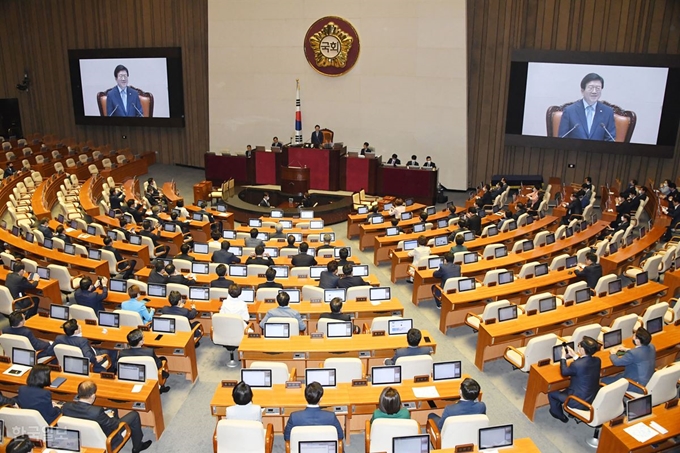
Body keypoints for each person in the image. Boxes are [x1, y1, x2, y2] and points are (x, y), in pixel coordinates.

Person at [62, 381, 152, 452]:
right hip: (106, 438)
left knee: (112, 408)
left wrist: (107, 415)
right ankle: (137, 446)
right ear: (93, 396)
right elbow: (116, 425)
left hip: (80, 437)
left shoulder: (66, 407)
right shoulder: (96, 412)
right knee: (134, 415)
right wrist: (111, 417)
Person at [548, 336, 602, 423]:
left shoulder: (577, 365)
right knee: (564, 391)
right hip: (591, 397)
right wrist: (575, 356)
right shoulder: (597, 360)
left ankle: (559, 415)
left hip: (578, 401)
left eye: (579, 346)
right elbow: (585, 365)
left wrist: (563, 357)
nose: (578, 347)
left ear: (582, 350)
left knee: (552, 393)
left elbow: (564, 372)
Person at [558, 72, 616, 141]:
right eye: (590, 88)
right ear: (582, 91)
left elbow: (610, 139)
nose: (594, 92)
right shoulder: (569, 111)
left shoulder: (608, 112)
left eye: (598, 88)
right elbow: (562, 139)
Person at [46, 320, 115, 373]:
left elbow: (49, 351)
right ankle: (111, 372)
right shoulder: (82, 341)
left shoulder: (59, 338)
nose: (80, 326)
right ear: (75, 331)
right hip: (89, 364)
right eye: (79, 326)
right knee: (112, 351)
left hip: (67, 364)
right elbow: (89, 357)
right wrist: (96, 359)